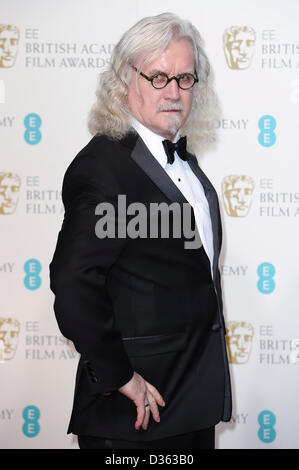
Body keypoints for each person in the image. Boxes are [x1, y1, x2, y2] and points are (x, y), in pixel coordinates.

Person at [49, 12, 232, 450]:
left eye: (185, 78)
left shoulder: (183, 163)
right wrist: (119, 376)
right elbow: (73, 283)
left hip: (190, 407)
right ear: (124, 81)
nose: (173, 92)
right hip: (134, 421)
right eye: (158, 77)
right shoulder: (103, 168)